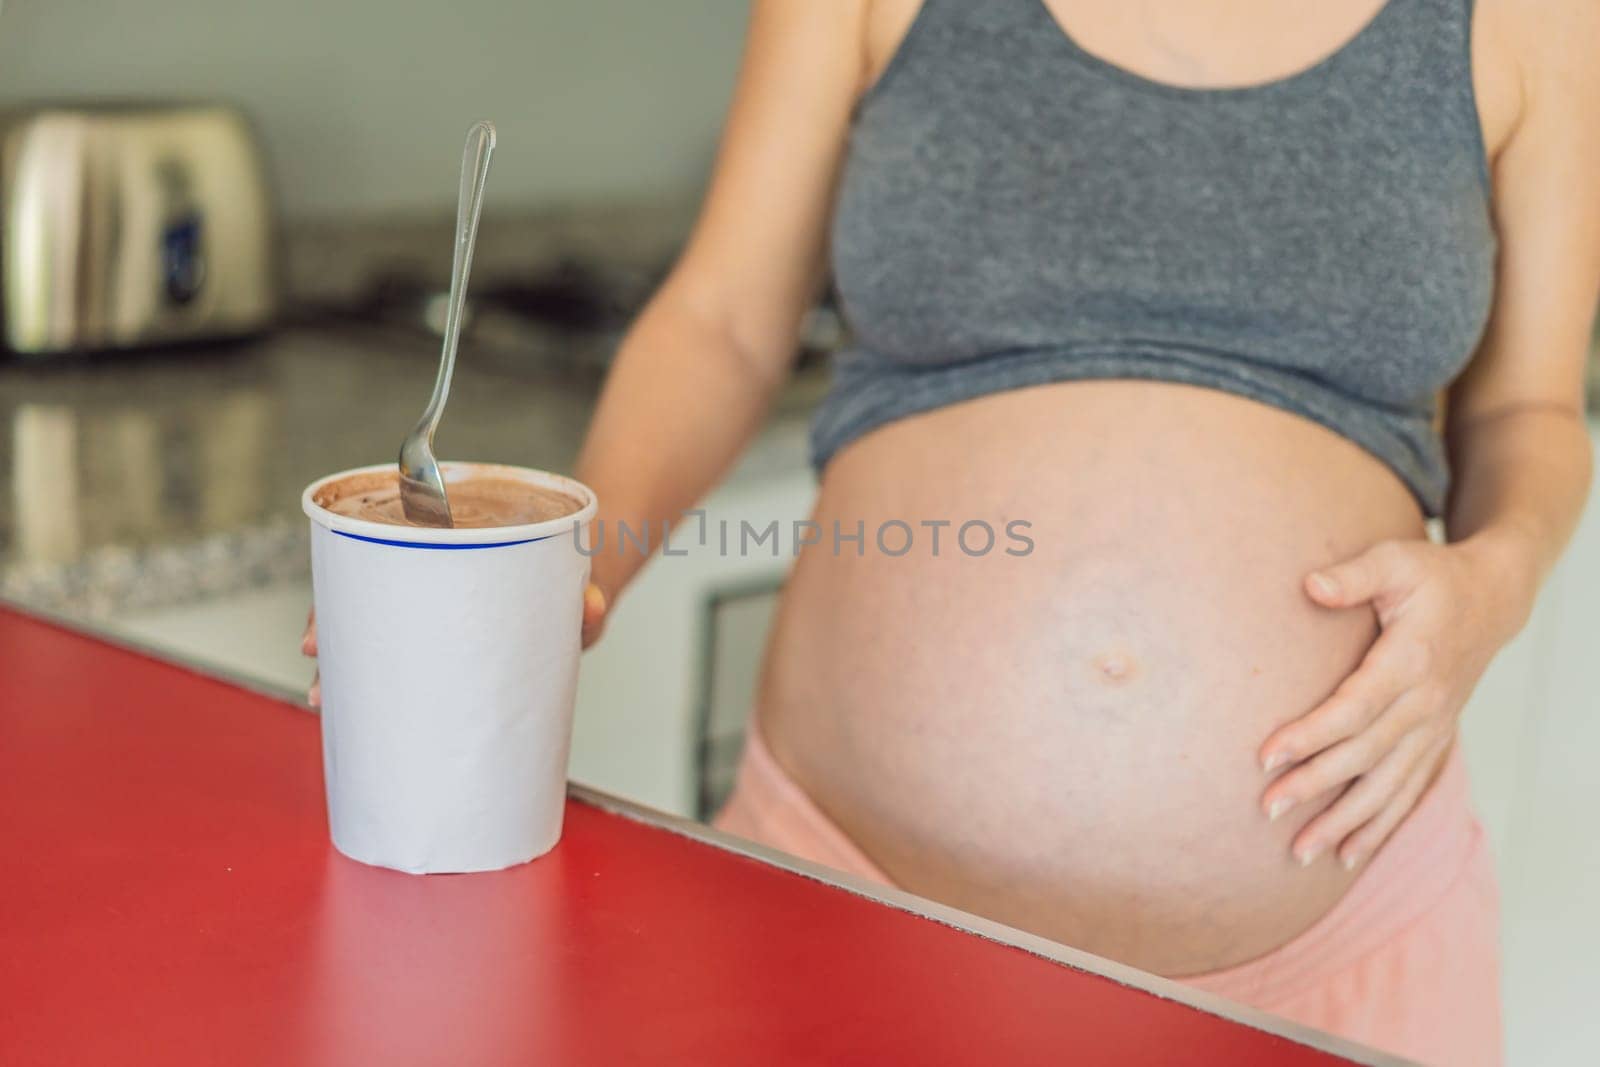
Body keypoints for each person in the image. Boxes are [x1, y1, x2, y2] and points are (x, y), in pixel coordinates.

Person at [308, 1, 1598, 1062]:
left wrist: (1494, 581)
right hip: (832, 890)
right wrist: (565, 564)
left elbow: (1533, 408)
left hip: (1335, 951)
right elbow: (724, 320)